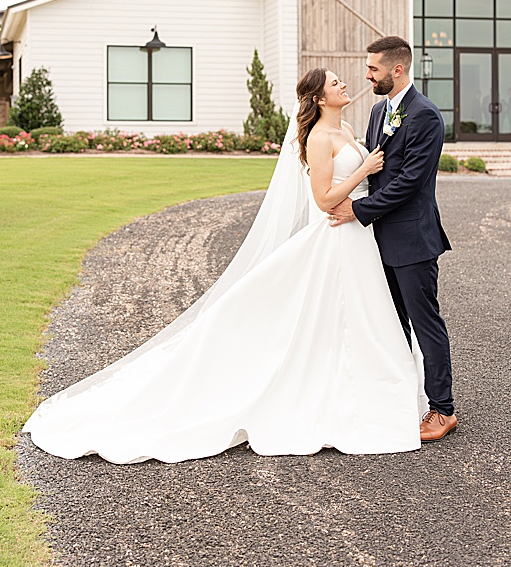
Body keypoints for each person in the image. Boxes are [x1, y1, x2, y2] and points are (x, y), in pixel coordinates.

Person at [23, 67, 426, 463]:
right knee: (325, 312)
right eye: (334, 83)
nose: (344, 84)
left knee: (361, 314)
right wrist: (362, 170)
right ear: (320, 98)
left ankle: (362, 383)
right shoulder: (320, 138)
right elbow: (323, 200)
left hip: (359, 236)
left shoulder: (350, 129)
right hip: (335, 233)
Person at [328, 34, 456, 441]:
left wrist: (357, 210)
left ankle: (443, 410)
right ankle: (403, 398)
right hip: (377, 239)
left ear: (397, 69)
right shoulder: (379, 109)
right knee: (390, 322)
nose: (367, 77)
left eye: (373, 69)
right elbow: (375, 166)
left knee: (424, 323)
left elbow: (410, 182)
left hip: (412, 240)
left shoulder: (425, 115)